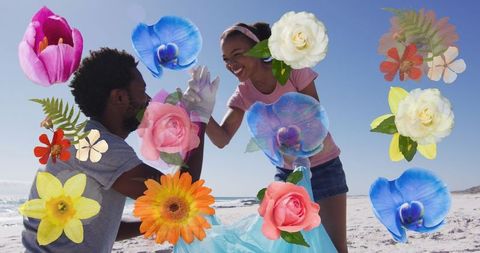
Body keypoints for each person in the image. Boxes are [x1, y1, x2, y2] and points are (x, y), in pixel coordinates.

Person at [21, 48, 218, 252]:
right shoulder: (99, 145)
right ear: (120, 98)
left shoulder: (85, 139)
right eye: (142, 91)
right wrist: (199, 118)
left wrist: (156, 222)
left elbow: (101, 228)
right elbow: (179, 199)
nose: (149, 99)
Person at [205, 22, 348, 253]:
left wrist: (294, 134)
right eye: (225, 59)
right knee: (290, 248)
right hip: (287, 175)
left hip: (324, 166)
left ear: (261, 49)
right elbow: (222, 139)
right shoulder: (242, 93)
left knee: (335, 247)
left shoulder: (293, 69)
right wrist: (201, 113)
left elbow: (315, 115)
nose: (230, 64)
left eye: (237, 54)